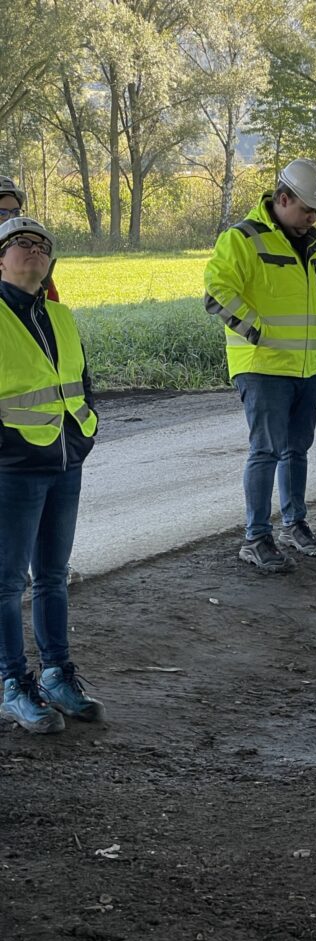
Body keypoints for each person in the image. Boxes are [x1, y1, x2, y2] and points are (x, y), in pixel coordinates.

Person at [204, 159, 316, 573]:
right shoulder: (243, 238)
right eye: (305, 209)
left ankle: (294, 524)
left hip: (306, 367)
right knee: (265, 451)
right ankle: (256, 536)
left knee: (297, 450)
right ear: (282, 199)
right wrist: (257, 331)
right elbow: (217, 293)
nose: (312, 217)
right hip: (261, 366)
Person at [0, 217, 104, 734]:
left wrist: (85, 435)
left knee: (51, 579)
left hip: (65, 463)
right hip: (13, 470)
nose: (34, 250)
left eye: (42, 245)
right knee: (5, 583)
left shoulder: (60, 316)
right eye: (22, 242)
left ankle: (59, 676)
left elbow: (80, 384)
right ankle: (13, 684)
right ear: (0, 258)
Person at [0, 176, 60, 301]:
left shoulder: (28, 262)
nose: (12, 219)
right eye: (2, 213)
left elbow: (49, 307)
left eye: (16, 212)